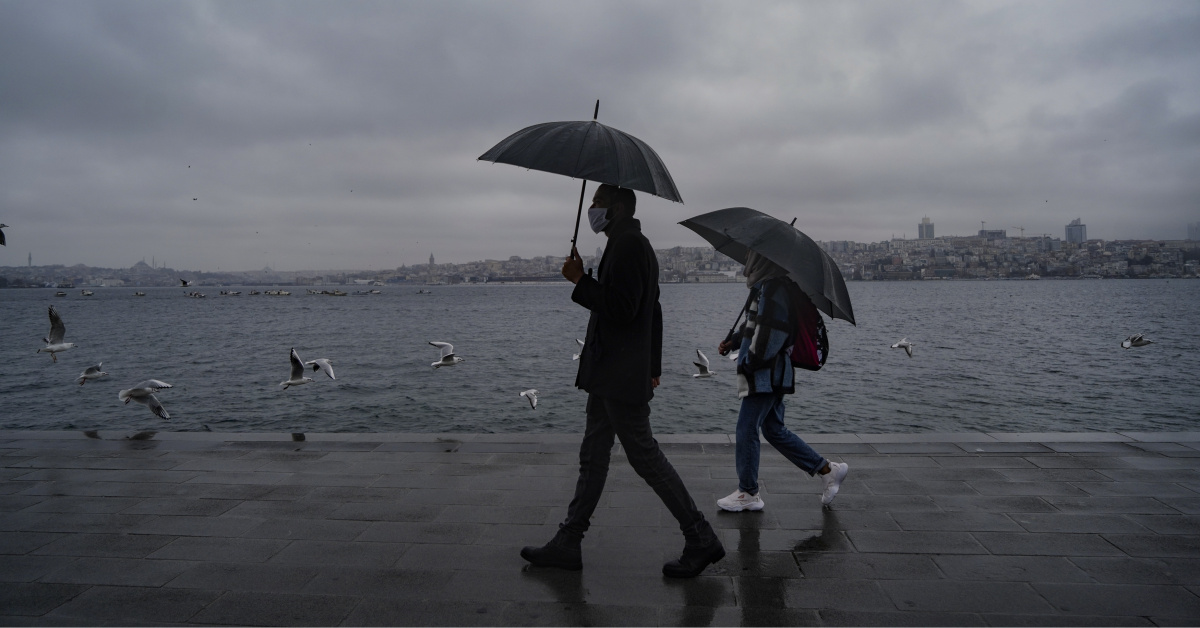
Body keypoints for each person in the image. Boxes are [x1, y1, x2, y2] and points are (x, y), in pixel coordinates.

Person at [520, 183, 725, 578]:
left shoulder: (629, 245)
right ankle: (568, 540)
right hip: (613, 372)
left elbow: (625, 308)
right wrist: (654, 364)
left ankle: (700, 537)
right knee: (593, 456)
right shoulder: (626, 242)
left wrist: (580, 281)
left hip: (618, 373)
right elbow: (654, 309)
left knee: (644, 456)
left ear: (616, 208)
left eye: (597, 203)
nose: (591, 209)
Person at [715, 251, 848, 512]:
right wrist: (735, 340)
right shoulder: (766, 286)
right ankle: (827, 470)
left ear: (763, 261)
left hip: (767, 375)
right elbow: (755, 325)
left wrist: (749, 363)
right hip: (774, 373)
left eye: (753, 257)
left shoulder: (774, 288)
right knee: (774, 429)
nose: (748, 262)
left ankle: (748, 492)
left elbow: (772, 333)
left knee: (746, 428)